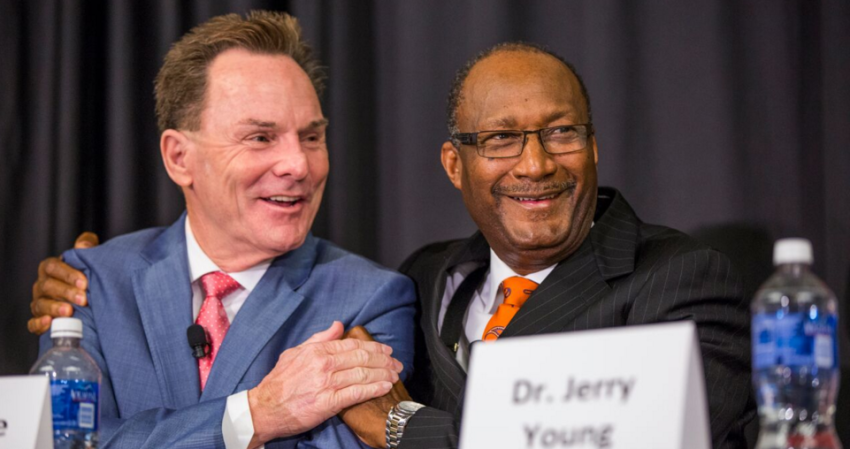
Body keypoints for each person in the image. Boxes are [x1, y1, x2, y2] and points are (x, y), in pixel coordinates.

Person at [30, 42, 756, 448]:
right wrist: (250, 415)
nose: (535, 164)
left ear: (594, 146)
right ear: (454, 166)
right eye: (501, 139)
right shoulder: (430, 277)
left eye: (561, 133)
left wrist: (407, 424)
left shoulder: (684, 278)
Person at [29, 11, 416, 449]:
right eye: (260, 138)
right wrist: (255, 415)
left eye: (312, 137)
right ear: (179, 158)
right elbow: (65, 443)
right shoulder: (90, 285)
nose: (298, 165)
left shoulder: (370, 302)